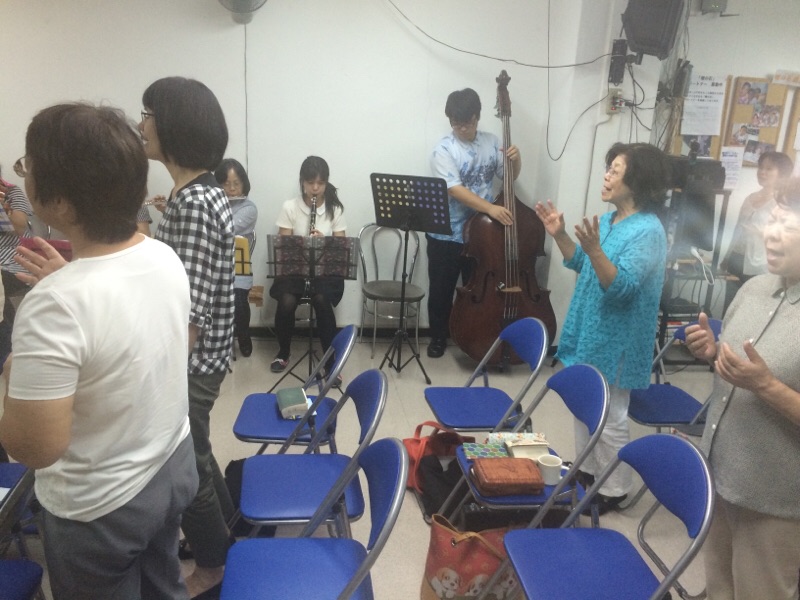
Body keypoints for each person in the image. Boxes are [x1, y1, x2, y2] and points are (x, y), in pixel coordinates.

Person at [0, 103, 197, 599]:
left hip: (102, 505)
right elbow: (124, 332)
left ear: (61, 203)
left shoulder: (54, 304)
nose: (23, 175)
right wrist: (70, 281)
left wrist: (12, 377)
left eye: (27, 166)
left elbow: (35, 449)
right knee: (162, 585)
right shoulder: (162, 255)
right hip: (170, 464)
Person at [535, 142, 669, 513]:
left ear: (637, 181)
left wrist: (595, 251)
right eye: (608, 168)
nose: (606, 176)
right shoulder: (610, 221)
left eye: (615, 170)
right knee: (585, 405)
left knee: (609, 416)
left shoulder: (649, 231)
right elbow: (583, 263)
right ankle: (588, 471)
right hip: (590, 332)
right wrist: (560, 234)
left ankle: (615, 488)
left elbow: (623, 288)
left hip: (618, 340)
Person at [140, 76, 235, 598]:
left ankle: (214, 565)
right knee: (198, 450)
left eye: (148, 114)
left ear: (175, 125)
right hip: (200, 359)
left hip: (193, 363)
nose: (141, 124)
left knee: (189, 466)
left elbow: (190, 311)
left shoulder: (196, 201)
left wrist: (163, 378)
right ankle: (227, 529)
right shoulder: (190, 192)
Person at [684, 177, 800, 600]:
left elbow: (762, 378)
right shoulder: (755, 288)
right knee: (720, 587)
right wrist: (713, 352)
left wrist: (766, 385)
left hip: (775, 496)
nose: (771, 234)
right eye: (772, 220)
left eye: (788, 226)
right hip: (722, 473)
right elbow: (738, 369)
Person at [427, 87, 521, 358]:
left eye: (466, 123)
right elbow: (454, 189)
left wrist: (516, 161)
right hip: (447, 233)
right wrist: (490, 208)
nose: (460, 128)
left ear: (477, 117)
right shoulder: (443, 149)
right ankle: (438, 337)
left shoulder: (492, 142)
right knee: (441, 290)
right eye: (455, 123)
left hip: (482, 234)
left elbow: (508, 177)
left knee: (478, 289)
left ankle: (472, 335)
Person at [269, 155, 345, 373]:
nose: (315, 188)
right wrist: (303, 244)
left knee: (321, 300)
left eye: (320, 183)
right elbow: (284, 246)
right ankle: (283, 352)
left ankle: (330, 360)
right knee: (286, 301)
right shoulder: (290, 207)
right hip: (295, 271)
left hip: (324, 273)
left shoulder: (335, 209)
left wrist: (324, 242)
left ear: (326, 183)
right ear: (302, 181)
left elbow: (341, 248)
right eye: (310, 182)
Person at [721, 151, 793, 312]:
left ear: (782, 173)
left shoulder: (783, 203)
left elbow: (786, 238)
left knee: (751, 310)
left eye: (769, 169)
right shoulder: (750, 198)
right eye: (760, 167)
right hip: (736, 259)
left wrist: (760, 232)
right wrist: (726, 256)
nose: (762, 172)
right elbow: (737, 229)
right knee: (730, 307)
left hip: (760, 264)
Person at [215, 158, 258, 357]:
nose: (232, 189)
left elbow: (226, 228)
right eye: (226, 184)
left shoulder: (249, 208)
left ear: (243, 184)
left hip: (238, 269)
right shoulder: (213, 205)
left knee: (239, 302)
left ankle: (243, 336)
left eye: (236, 183)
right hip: (214, 268)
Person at [0, 164, 33, 366]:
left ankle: (7, 358)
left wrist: (4, 208)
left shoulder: (13, 192)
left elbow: (20, 227)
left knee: (10, 314)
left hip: (14, 257)